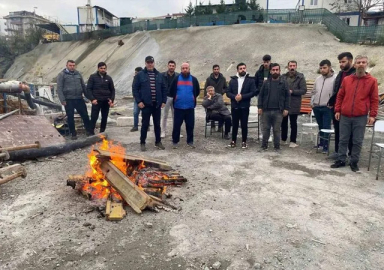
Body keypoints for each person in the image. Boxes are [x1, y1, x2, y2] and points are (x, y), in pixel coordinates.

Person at [331, 55, 379, 172]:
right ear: (354, 65)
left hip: (360, 116)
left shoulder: (372, 81)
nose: (361, 64)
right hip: (345, 115)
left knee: (357, 140)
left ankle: (354, 162)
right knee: (343, 139)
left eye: (363, 62)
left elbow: (374, 99)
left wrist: (372, 115)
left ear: (367, 64)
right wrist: (337, 110)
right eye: (358, 62)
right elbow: (340, 96)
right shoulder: (347, 80)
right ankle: (341, 159)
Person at [132, 56, 167, 152]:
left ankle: (158, 142)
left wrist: (164, 101)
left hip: (157, 105)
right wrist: (139, 101)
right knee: (145, 125)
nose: (150, 64)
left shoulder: (159, 75)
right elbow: (135, 89)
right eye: (148, 62)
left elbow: (164, 88)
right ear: (145, 63)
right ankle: (142, 143)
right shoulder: (139, 75)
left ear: (154, 63)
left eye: (151, 62)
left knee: (157, 124)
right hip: (146, 105)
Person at [327, 52, 356, 160]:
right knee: (338, 130)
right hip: (337, 108)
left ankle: (351, 155)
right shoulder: (340, 74)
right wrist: (332, 102)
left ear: (350, 61)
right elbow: (337, 90)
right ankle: (338, 152)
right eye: (340, 62)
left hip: (349, 108)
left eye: (343, 61)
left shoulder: (355, 75)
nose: (341, 64)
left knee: (350, 133)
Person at [57, 60, 92, 140]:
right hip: (68, 100)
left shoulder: (78, 74)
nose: (72, 67)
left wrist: (89, 97)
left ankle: (88, 131)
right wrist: (62, 100)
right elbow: (59, 88)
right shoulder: (62, 75)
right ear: (66, 65)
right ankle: (73, 133)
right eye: (70, 65)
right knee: (70, 117)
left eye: (73, 65)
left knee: (85, 115)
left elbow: (83, 86)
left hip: (79, 98)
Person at [258, 63, 290, 151]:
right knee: (266, 129)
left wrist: (286, 108)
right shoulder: (266, 83)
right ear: (270, 71)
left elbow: (287, 96)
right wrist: (260, 107)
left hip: (278, 111)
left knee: (276, 129)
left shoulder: (284, 83)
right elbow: (261, 96)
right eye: (273, 70)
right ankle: (264, 146)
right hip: (266, 110)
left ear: (280, 71)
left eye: (277, 70)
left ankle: (277, 147)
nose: (275, 71)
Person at [169, 63, 200, 148]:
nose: (185, 70)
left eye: (186, 68)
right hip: (178, 107)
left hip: (190, 107)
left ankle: (190, 141)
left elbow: (197, 91)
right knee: (176, 125)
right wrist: (177, 98)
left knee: (190, 125)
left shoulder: (193, 79)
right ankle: (175, 141)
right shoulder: (176, 79)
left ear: (189, 69)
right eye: (183, 68)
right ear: (181, 69)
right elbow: (171, 91)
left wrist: (192, 98)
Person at [226, 63, 256, 149]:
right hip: (235, 106)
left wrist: (242, 97)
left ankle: (244, 141)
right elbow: (228, 92)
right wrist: (234, 97)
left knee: (244, 125)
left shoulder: (250, 80)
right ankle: (233, 141)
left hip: (245, 106)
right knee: (234, 124)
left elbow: (253, 92)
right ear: (237, 70)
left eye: (244, 68)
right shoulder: (233, 80)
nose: (242, 70)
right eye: (240, 68)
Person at [311, 59, 336, 154]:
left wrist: (332, 104)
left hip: (327, 107)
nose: (322, 70)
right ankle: (321, 143)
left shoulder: (335, 78)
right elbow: (314, 91)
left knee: (326, 126)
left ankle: (326, 146)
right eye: (321, 68)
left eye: (324, 68)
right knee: (320, 126)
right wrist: (312, 102)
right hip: (317, 106)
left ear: (329, 67)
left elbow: (335, 93)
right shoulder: (318, 79)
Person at [281, 60, 307, 147]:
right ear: (288, 67)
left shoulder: (300, 77)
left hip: (295, 103)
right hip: (284, 103)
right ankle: (283, 139)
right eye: (290, 66)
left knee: (293, 123)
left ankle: (293, 141)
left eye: (294, 66)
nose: (292, 67)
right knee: (283, 122)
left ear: (296, 66)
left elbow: (303, 90)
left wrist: (293, 91)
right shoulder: (283, 77)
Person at [86, 62, 115, 134]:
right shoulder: (93, 77)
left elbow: (112, 89)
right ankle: (91, 132)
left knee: (104, 117)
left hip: (106, 101)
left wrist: (111, 99)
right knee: (94, 117)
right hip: (96, 101)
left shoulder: (109, 78)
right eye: (101, 68)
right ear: (98, 68)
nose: (103, 70)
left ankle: (102, 132)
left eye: (104, 68)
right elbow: (88, 89)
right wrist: (92, 99)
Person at [204, 64, 228, 132]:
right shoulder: (209, 79)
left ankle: (220, 126)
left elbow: (226, 88)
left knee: (221, 111)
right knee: (212, 110)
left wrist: (221, 92)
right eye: (215, 69)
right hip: (211, 97)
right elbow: (206, 88)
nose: (216, 70)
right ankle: (212, 125)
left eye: (217, 69)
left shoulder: (223, 78)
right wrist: (207, 97)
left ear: (219, 70)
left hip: (219, 97)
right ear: (213, 70)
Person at [161, 60, 179, 138]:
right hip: (166, 97)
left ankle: (176, 132)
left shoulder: (178, 76)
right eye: (170, 65)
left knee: (175, 116)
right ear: (168, 66)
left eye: (173, 66)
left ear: (175, 67)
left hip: (175, 98)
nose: (171, 67)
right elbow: (160, 87)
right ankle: (163, 132)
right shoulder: (162, 75)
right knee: (164, 115)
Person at [131, 67, 143, 132]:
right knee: (135, 113)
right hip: (137, 99)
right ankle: (135, 126)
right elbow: (133, 88)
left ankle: (146, 126)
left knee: (144, 113)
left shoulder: (144, 78)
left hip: (144, 99)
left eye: (136, 72)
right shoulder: (135, 79)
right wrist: (135, 96)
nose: (135, 73)